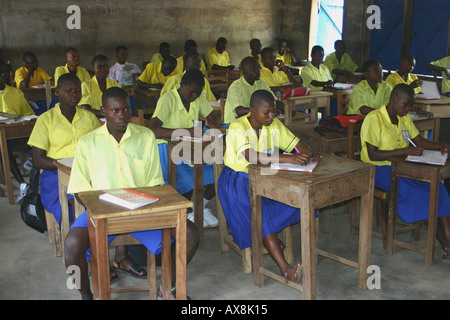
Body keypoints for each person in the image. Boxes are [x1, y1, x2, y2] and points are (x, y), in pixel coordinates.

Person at [64, 87, 199, 300]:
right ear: (103, 112)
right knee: (72, 246)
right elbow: (80, 190)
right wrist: (103, 207)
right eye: (115, 111)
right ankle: (86, 295)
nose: (122, 115)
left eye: (126, 109)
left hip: (141, 211)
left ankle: (168, 287)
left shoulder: (145, 136)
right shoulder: (87, 143)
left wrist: (140, 203)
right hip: (103, 213)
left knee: (190, 233)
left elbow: (155, 183)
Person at [218, 89, 320, 281]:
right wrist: (289, 158)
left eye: (274, 112)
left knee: (296, 199)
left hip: (265, 177)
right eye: (267, 113)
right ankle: (285, 268)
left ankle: (271, 238)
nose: (271, 116)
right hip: (237, 181)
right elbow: (251, 157)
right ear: (253, 111)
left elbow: (296, 144)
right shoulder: (237, 127)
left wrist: (308, 153)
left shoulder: (273, 125)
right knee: (260, 211)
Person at [360, 83, 450, 262]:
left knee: (437, 189)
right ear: (394, 98)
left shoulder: (404, 118)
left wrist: (440, 146)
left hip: (403, 166)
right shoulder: (374, 118)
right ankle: (443, 242)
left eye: (409, 105)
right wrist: (404, 151)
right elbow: (373, 154)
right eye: (405, 104)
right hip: (378, 168)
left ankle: (448, 242)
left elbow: (419, 141)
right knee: (418, 193)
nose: (407, 109)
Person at [148, 69, 220, 228]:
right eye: (191, 92)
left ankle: (199, 206)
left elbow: (212, 118)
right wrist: (185, 132)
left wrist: (214, 128)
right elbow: (152, 130)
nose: (194, 96)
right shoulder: (168, 99)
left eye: (198, 92)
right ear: (182, 85)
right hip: (168, 148)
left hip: (191, 148)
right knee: (189, 178)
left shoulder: (198, 99)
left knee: (220, 169)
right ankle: (188, 210)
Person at [27, 73, 100, 227]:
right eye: (69, 90)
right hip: (56, 172)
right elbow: (38, 159)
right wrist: (63, 165)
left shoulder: (90, 118)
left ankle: (90, 232)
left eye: (77, 90)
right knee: (75, 201)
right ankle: (80, 234)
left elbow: (101, 147)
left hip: (88, 170)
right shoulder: (45, 120)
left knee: (102, 198)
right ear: (58, 93)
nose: (74, 94)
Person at [0, 62, 35, 201]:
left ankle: (33, 177)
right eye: (0, 72)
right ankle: (22, 183)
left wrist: (23, 119)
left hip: (15, 129)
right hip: (2, 135)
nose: (3, 75)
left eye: (5, 72)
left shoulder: (15, 92)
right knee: (3, 146)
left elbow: (28, 113)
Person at [224, 56, 276, 124]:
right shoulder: (235, 87)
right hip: (234, 124)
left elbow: (274, 100)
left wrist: (284, 109)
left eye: (258, 68)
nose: (258, 71)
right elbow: (239, 111)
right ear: (244, 71)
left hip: (254, 121)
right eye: (253, 68)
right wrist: (262, 112)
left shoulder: (261, 83)